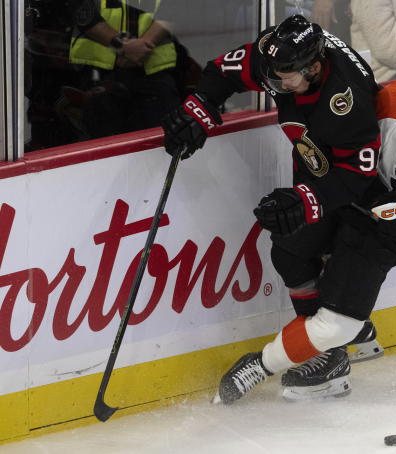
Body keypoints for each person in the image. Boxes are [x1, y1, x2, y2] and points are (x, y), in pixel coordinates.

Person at [215, 52, 396, 405]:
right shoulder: (392, 102)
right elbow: (346, 158)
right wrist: (379, 201)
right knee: (338, 326)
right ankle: (259, 366)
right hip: (365, 229)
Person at [161, 15, 384, 401]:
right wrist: (200, 106)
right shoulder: (279, 60)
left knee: (337, 255)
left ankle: (337, 345)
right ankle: (337, 344)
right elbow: (225, 70)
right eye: (274, 74)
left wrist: (307, 200)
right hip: (317, 165)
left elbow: (358, 175)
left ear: (315, 68)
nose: (276, 85)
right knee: (291, 248)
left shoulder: (347, 99)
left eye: (287, 78)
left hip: (369, 191)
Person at [65, 0, 182, 139]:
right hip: (99, 76)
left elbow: (175, 7)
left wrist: (135, 48)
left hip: (153, 76)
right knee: (103, 150)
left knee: (164, 144)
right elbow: (81, 11)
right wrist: (123, 46)